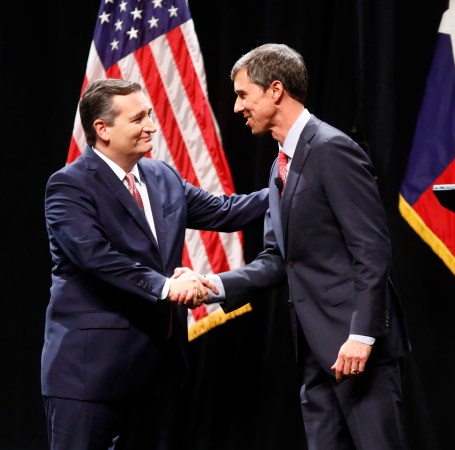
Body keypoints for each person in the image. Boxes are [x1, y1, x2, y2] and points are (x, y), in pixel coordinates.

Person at [189, 43, 411, 450]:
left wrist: (362, 335)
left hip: (357, 348)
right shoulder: (279, 166)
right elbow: (279, 260)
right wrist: (214, 285)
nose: (238, 107)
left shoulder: (332, 149)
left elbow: (372, 249)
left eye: (243, 94)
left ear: (275, 90)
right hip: (313, 351)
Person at [41, 78, 268, 450]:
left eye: (149, 114)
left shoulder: (162, 176)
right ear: (103, 129)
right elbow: (95, 256)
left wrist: (286, 182)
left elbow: (227, 212)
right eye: (138, 119)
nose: (151, 125)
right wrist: (165, 286)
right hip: (89, 376)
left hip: (157, 372)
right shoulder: (69, 186)